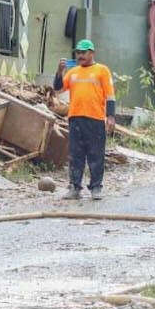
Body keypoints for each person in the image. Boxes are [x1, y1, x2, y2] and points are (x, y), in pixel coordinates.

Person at [54, 39, 116, 201]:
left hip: (95, 118)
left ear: (91, 53)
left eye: (83, 52)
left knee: (96, 155)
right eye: (78, 53)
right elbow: (59, 89)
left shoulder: (102, 70)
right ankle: (75, 188)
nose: (80, 55)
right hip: (75, 118)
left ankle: (96, 188)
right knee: (76, 155)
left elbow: (110, 95)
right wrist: (59, 71)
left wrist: (110, 116)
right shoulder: (73, 72)